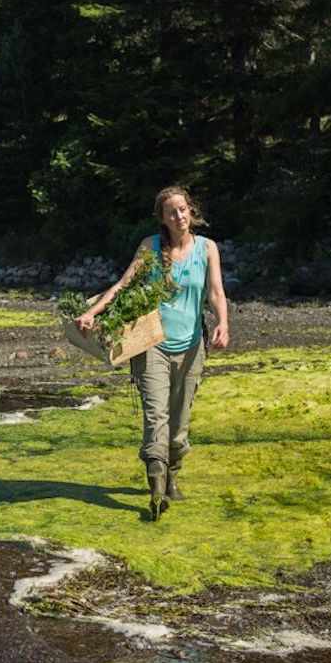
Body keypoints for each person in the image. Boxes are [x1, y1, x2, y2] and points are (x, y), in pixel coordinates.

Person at [76, 185, 229, 519]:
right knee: (155, 416)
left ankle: (172, 475)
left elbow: (216, 293)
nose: (179, 216)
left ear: (192, 212)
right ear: (162, 217)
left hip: (191, 347)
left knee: (179, 423)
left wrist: (223, 323)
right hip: (151, 346)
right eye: (172, 211)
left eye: (184, 209)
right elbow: (122, 286)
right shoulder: (151, 247)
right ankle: (157, 488)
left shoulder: (207, 249)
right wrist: (93, 313)